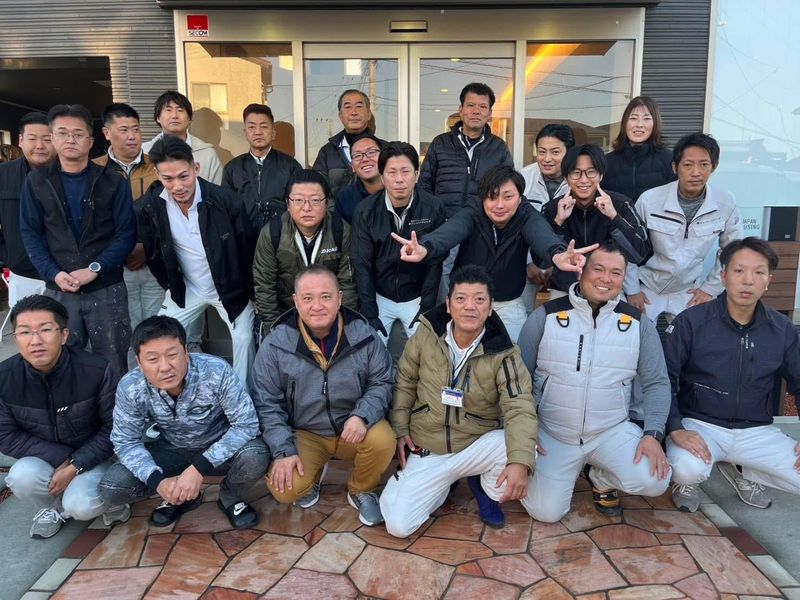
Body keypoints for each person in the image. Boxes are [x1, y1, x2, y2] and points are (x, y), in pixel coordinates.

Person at [380, 265, 538, 536]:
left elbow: (519, 405)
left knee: (524, 450)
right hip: (429, 445)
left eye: (479, 299)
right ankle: (444, 483)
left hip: (475, 443)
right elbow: (405, 381)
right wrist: (401, 428)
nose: (470, 307)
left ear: (490, 308)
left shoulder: (504, 351)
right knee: (398, 525)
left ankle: (484, 487)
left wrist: (520, 461)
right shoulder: (426, 335)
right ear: (448, 304)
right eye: (461, 298)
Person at [518, 244, 671, 521]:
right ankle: (571, 470)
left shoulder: (638, 324)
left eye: (616, 273)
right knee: (546, 512)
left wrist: (653, 434)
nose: (606, 279)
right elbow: (519, 380)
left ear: (624, 278)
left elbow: (657, 383)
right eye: (598, 269)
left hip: (610, 431)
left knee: (655, 479)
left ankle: (600, 475)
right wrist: (524, 432)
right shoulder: (545, 316)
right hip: (553, 433)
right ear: (581, 271)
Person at [252, 266, 395, 526]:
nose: (317, 306)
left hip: (352, 428)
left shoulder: (364, 335)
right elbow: (266, 403)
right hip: (306, 432)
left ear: (339, 298)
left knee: (383, 440)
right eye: (307, 298)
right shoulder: (275, 344)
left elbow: (382, 381)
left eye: (326, 297)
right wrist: (283, 450)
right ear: (296, 301)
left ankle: (361, 489)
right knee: (285, 490)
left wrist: (362, 416)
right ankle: (314, 473)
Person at [665, 238, 800, 513]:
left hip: (756, 431)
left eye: (759, 272)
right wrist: (675, 427)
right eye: (739, 271)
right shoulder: (691, 322)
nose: (748, 280)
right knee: (686, 469)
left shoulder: (782, 329)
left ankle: (744, 469)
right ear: (724, 276)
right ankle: (689, 482)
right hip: (701, 424)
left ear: (769, 280)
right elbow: (663, 379)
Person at [391, 165, 596, 342]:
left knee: (511, 355)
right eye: (492, 197)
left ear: (520, 197)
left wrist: (558, 254)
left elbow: (541, 235)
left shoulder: (526, 214)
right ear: (483, 198)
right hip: (467, 299)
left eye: (508, 197)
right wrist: (425, 247)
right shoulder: (473, 211)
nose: (499, 205)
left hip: (507, 301)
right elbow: (452, 230)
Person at [98, 316, 268, 529]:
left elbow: (246, 424)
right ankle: (179, 496)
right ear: (139, 363)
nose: (165, 367)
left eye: (172, 355)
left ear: (186, 352)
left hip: (220, 448)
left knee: (256, 455)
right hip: (171, 450)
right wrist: (158, 481)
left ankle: (230, 495)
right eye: (152, 359)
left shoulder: (215, 370)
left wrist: (198, 468)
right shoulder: (130, 386)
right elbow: (125, 441)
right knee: (112, 488)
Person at [20, 104, 136, 375]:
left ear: (91, 141)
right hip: (60, 287)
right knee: (61, 361)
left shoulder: (113, 181)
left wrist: (95, 268)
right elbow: (31, 233)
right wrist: (53, 272)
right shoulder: (37, 181)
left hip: (106, 286)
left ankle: (112, 405)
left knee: (113, 360)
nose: (70, 139)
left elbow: (126, 233)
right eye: (62, 133)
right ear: (53, 138)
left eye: (78, 134)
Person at [0, 295, 130, 538]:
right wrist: (65, 461)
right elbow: (5, 436)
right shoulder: (4, 378)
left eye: (45, 329)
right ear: (15, 338)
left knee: (82, 505)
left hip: (96, 456)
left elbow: (115, 427)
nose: (35, 341)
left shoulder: (96, 370)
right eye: (25, 332)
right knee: (21, 476)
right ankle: (51, 508)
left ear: (64, 335)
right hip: (46, 456)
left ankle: (112, 500)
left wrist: (76, 464)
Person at [137, 135, 257, 386]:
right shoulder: (150, 206)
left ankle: (241, 396)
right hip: (186, 288)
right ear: (157, 175)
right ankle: (167, 393)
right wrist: (170, 284)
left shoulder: (226, 201)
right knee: (157, 338)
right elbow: (154, 252)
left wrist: (250, 294)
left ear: (196, 168)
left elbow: (247, 250)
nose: (178, 185)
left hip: (230, 288)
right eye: (168, 178)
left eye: (184, 176)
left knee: (244, 339)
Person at [626, 133, 742, 319]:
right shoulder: (650, 200)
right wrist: (632, 289)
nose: (696, 172)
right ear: (675, 167)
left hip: (688, 290)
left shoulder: (725, 202)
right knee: (638, 334)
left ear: (714, 166)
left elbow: (733, 250)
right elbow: (628, 246)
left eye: (704, 164)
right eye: (688, 165)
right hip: (647, 286)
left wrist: (710, 289)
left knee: (695, 336)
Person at [419, 82, 513, 295]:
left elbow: (507, 190)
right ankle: (444, 314)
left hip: (481, 228)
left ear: (489, 114)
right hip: (445, 226)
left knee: (476, 282)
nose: (476, 111)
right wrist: (431, 224)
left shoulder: (498, 148)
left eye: (482, 107)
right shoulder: (440, 143)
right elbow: (424, 186)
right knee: (442, 279)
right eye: (471, 105)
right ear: (460, 110)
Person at [351, 142, 445, 346]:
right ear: (382, 177)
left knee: (426, 350)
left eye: (406, 171)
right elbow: (361, 264)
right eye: (392, 172)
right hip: (380, 295)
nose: (399, 179)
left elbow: (435, 262)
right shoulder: (365, 211)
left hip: (416, 296)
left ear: (416, 175)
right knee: (370, 348)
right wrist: (370, 312)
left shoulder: (433, 207)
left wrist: (426, 307)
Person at [93, 103, 163, 357]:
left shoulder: (157, 167)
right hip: (116, 267)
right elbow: (94, 223)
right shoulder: (94, 170)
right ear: (107, 133)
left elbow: (167, 213)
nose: (132, 136)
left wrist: (146, 246)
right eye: (124, 130)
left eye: (136, 129)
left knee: (158, 326)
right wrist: (119, 252)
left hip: (154, 261)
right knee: (126, 329)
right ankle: (134, 377)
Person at [253, 169, 357, 331]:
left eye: (315, 200)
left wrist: (343, 326)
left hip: (328, 315)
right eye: (299, 200)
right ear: (288, 204)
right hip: (286, 313)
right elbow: (264, 286)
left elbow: (348, 285)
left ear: (327, 203)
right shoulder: (273, 232)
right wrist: (275, 328)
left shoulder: (341, 230)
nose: (307, 208)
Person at [541, 144, 650, 296]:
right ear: (566, 177)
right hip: (565, 290)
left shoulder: (620, 204)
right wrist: (558, 222)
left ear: (601, 175)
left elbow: (639, 254)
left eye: (591, 172)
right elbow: (541, 262)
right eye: (576, 173)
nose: (583, 180)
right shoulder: (552, 208)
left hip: (607, 288)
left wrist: (614, 217)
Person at [0, 112, 55, 306]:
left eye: (47, 139)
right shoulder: (3, 175)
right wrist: (7, 255)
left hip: (65, 274)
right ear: (21, 140)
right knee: (27, 324)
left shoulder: (71, 174)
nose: (40, 145)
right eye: (32, 139)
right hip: (23, 274)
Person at [519, 124, 575, 311]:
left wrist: (556, 262)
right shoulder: (523, 178)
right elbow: (515, 225)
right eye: (542, 152)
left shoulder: (579, 181)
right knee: (521, 314)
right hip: (525, 263)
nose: (547, 158)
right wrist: (529, 263)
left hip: (565, 264)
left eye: (555, 152)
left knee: (560, 317)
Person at [222, 103, 302, 231]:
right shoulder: (232, 169)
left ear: (273, 132)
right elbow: (226, 209)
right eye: (252, 127)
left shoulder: (290, 166)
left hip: (281, 236)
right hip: (243, 238)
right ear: (245, 132)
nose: (258, 132)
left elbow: (300, 205)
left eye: (264, 126)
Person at [604, 96, 676, 204]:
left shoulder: (669, 159)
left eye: (646, 119)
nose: (639, 125)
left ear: (655, 123)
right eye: (633, 118)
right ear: (624, 123)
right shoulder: (607, 162)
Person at [312, 89, 383, 197]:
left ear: (369, 114)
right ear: (340, 116)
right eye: (348, 107)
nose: (354, 112)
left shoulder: (384, 148)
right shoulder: (327, 152)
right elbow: (317, 191)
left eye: (359, 106)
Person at [142, 90, 223, 185]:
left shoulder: (207, 153)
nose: (174, 116)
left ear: (189, 119)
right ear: (158, 118)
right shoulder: (144, 152)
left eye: (180, 110)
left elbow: (217, 190)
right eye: (168, 110)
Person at [334, 133, 384, 224]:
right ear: (352, 166)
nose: (365, 159)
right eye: (357, 155)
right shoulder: (345, 198)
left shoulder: (399, 189)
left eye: (371, 152)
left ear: (384, 157)